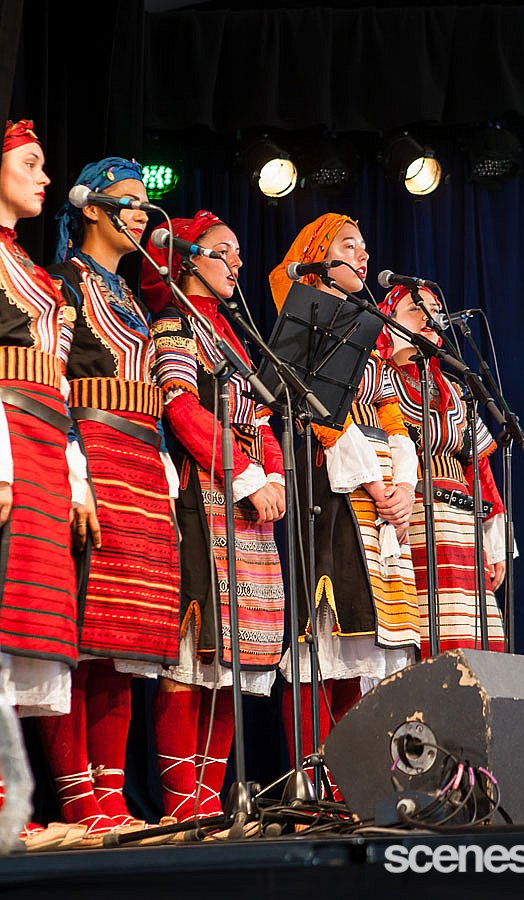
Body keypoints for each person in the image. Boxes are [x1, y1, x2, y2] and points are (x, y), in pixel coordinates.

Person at [36, 157, 181, 838]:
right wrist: (71, 470)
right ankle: (78, 800)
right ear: (91, 208)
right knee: (82, 634)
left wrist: (165, 469)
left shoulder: (133, 297)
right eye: (129, 201)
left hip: (140, 462)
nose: (142, 215)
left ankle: (113, 797)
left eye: (147, 204)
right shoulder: (62, 283)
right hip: (91, 457)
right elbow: (52, 378)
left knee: (123, 640)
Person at [141, 210, 286, 821]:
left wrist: (274, 476)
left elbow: (264, 420)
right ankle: (183, 806)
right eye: (224, 250)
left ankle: (209, 800)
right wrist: (248, 475)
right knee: (195, 649)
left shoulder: (229, 336)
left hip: (247, 508)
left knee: (234, 662)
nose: (237, 263)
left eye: (239, 252)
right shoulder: (174, 325)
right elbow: (181, 409)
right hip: (200, 495)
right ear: (188, 258)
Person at [269, 213, 420, 763]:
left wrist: (405, 484)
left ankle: (352, 776)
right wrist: (377, 485)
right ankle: (311, 774)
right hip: (331, 489)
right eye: (349, 245)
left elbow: (392, 412)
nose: (363, 255)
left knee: (366, 643)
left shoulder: (370, 335)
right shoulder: (306, 324)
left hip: (380, 496)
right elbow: (321, 417)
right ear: (317, 256)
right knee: (324, 639)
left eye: (365, 246)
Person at [0, 120, 81, 716]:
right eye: (29, 163)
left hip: (42, 450)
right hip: (9, 441)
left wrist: (74, 473)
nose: (45, 177)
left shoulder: (24, 263)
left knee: (27, 617)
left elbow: (55, 376)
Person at [377, 284, 506, 655]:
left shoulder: (454, 389)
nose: (427, 317)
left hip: (463, 523)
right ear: (389, 320)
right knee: (429, 628)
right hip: (414, 517)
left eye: (433, 310)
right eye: (415, 309)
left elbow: (479, 468)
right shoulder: (380, 380)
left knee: (475, 633)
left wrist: (494, 540)